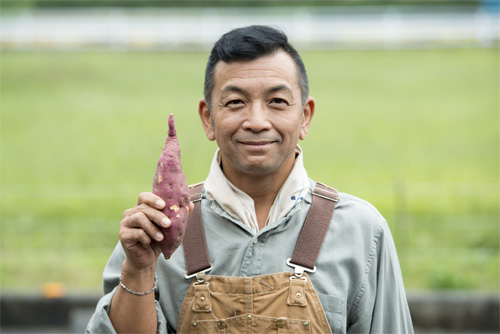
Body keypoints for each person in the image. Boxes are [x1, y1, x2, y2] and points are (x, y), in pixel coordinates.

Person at [86, 25, 413, 334]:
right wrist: (140, 270)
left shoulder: (361, 231)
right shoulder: (156, 230)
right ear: (208, 118)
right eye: (235, 102)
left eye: (277, 102)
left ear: (305, 116)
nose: (257, 121)